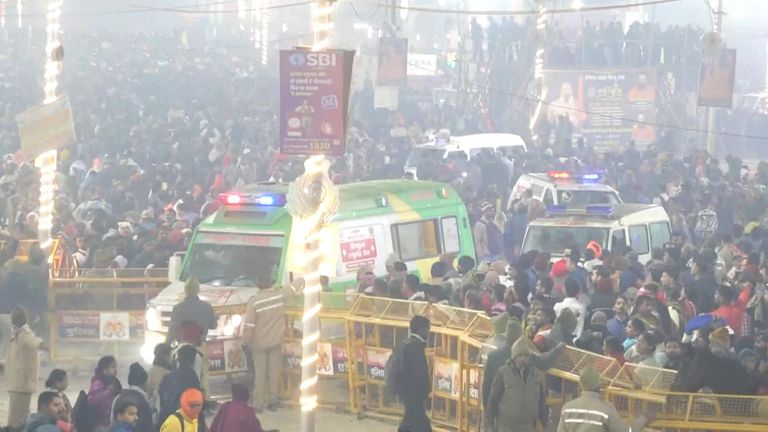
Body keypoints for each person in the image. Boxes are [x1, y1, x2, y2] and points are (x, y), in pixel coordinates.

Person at [242, 285, 291, 413]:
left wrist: (245, 341)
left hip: (259, 344)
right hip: (275, 341)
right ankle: (273, 401)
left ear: (258, 286)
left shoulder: (254, 301)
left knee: (260, 374)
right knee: (274, 373)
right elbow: (296, 286)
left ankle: (258, 404)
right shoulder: (279, 296)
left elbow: (249, 325)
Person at [557, 366, 651, 431]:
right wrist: (643, 418)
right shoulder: (606, 409)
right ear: (600, 386)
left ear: (580, 385)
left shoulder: (567, 408)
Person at [166, 277, 216, 391]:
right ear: (198, 290)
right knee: (204, 375)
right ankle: (205, 399)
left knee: (181, 375)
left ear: (185, 290)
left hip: (182, 348)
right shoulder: (206, 307)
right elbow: (213, 325)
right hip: (200, 346)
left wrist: (166, 346)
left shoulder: (177, 308)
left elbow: (172, 330)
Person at [486, 338, 544, 432]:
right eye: (519, 355)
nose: (523, 359)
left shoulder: (535, 375)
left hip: (528, 427)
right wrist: (490, 424)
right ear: (514, 357)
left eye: (526, 356)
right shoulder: (503, 373)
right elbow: (493, 399)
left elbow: (541, 401)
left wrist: (543, 422)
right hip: (506, 427)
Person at [6, 307, 46, 432]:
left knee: (17, 417)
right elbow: (34, 344)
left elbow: (33, 343)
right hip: (20, 383)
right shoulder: (21, 334)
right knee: (18, 417)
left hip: (19, 384)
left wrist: (41, 343)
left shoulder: (21, 335)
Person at [398, 316, 431, 432]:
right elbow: (419, 372)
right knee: (422, 424)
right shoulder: (416, 347)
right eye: (428, 329)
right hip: (415, 393)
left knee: (409, 420)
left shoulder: (407, 344)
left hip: (408, 392)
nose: (429, 332)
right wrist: (425, 390)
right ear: (421, 329)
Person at [482, 318, 522, 413]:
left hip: (496, 402)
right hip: (516, 406)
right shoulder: (525, 356)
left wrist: (486, 405)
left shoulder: (493, 355)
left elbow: (487, 382)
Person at [157, 345, 201, 428]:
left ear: (178, 359)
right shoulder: (192, 377)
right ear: (193, 360)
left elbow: (161, 399)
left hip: (165, 418)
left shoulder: (168, 376)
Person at [210, 384, 277, 432]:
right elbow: (256, 429)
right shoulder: (248, 411)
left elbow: (214, 426)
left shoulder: (225, 406)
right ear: (247, 397)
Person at [111, 363, 153, 432]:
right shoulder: (144, 401)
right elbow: (148, 425)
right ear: (144, 383)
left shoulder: (118, 397)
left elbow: (112, 421)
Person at [88, 356, 122, 432]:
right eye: (113, 367)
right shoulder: (98, 382)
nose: (116, 370)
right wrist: (108, 391)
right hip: (101, 423)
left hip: (113, 421)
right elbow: (91, 399)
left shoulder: (114, 381)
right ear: (105, 369)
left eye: (116, 366)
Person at [147, 343, 173, 413]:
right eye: (171, 355)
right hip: (163, 409)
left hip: (151, 410)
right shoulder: (168, 374)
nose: (172, 358)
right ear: (165, 356)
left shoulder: (149, 371)